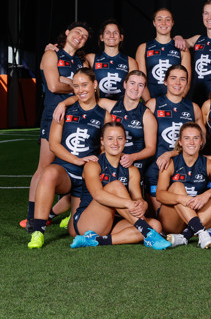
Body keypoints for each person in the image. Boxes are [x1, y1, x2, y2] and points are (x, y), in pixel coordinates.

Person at [28, 68, 111, 248]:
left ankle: (70, 216)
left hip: (85, 178)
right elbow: (54, 144)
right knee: (49, 173)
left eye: (84, 85)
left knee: (75, 231)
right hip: (65, 170)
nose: (80, 90)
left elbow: (106, 148)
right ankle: (38, 231)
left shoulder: (104, 114)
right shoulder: (64, 110)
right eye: (76, 86)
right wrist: (77, 160)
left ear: (94, 84)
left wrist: (95, 164)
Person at [23, 22, 91, 232]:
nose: (81, 36)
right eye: (78, 31)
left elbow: (87, 88)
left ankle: (64, 213)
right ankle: (33, 218)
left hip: (77, 117)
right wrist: (75, 85)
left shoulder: (82, 61)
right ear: (68, 32)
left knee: (74, 167)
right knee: (44, 167)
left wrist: (67, 81)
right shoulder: (52, 54)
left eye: (85, 35)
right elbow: (53, 85)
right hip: (54, 116)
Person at [69, 122, 170, 250]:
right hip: (89, 221)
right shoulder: (93, 165)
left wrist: (142, 204)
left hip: (114, 222)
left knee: (156, 225)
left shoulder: (132, 170)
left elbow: (137, 197)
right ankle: (147, 232)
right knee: (116, 186)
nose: (115, 143)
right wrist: (127, 203)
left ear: (125, 141)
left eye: (120, 138)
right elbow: (98, 195)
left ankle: (97, 241)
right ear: (102, 141)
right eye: (110, 138)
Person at [54, 70, 157, 177]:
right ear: (125, 84)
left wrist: (133, 157)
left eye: (140, 85)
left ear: (144, 88)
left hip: (133, 164)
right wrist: (63, 103)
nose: (135, 88)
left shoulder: (147, 115)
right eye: (132, 83)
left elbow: (151, 149)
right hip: (110, 162)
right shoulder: (109, 105)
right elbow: (84, 95)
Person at [156, 122, 211, 249]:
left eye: (196, 138)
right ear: (180, 142)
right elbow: (160, 194)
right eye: (187, 138)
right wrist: (182, 199)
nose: (191, 142)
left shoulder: (210, 164)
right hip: (173, 221)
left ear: (201, 141)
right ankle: (201, 232)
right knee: (177, 186)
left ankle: (185, 236)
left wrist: (206, 195)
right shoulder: (170, 163)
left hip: (196, 217)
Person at [145, 65, 204, 212]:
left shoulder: (194, 108)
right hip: (157, 168)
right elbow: (142, 140)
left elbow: (201, 143)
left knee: (183, 214)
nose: (178, 83)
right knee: (162, 218)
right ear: (165, 81)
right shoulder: (153, 105)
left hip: (185, 169)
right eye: (173, 78)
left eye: (182, 79)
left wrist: (171, 153)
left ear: (187, 84)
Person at [135, 8, 192, 101]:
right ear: (154, 23)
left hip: (174, 102)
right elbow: (141, 81)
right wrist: (149, 104)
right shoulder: (143, 48)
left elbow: (187, 82)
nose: (164, 23)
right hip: (150, 101)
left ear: (172, 23)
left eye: (167, 19)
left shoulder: (181, 48)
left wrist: (175, 102)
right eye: (159, 19)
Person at [86, 19, 139, 100]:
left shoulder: (130, 61)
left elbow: (135, 88)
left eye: (115, 32)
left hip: (120, 108)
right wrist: (59, 49)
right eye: (107, 32)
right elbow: (73, 57)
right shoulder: (91, 58)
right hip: (97, 107)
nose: (112, 35)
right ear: (101, 37)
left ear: (121, 37)